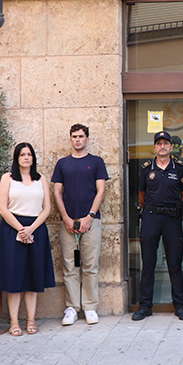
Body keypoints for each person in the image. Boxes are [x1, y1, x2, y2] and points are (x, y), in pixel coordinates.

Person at [0, 142, 55, 336]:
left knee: (33, 277)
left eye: (29, 154)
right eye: (22, 155)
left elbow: (47, 209)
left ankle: (31, 320)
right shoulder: (7, 178)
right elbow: (3, 208)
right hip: (13, 230)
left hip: (36, 230)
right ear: (16, 158)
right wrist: (21, 229)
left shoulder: (41, 179)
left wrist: (31, 229)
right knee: (14, 278)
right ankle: (13, 322)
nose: (26, 158)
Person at [132, 130, 183, 321]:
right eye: (159, 143)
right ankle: (145, 306)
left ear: (171, 147)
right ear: (155, 147)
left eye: (166, 143)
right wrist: (150, 208)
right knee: (148, 263)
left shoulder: (179, 168)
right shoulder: (147, 168)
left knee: (175, 263)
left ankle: (180, 305)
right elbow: (141, 194)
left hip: (172, 219)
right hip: (150, 217)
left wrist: (173, 209)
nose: (163, 146)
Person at [52, 124, 108, 326]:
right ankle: (72, 308)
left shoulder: (96, 162)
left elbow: (100, 191)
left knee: (90, 266)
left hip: (91, 221)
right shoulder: (62, 163)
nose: (78, 139)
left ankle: (90, 307)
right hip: (68, 222)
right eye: (74, 136)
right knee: (70, 266)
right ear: (70, 139)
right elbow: (57, 192)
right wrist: (66, 218)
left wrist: (89, 217)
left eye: (81, 136)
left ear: (87, 139)